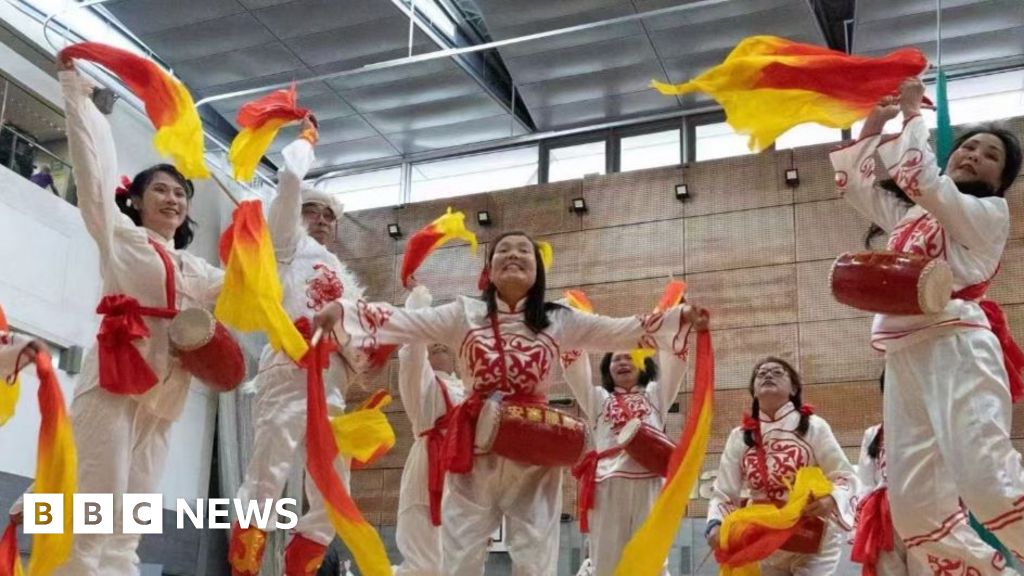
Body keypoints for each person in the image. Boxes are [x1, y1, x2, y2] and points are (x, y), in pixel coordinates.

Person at [312, 230, 708, 576]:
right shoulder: (462, 313)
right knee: (459, 557)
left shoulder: (560, 319)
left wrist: (681, 317)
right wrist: (345, 312)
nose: (514, 255)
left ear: (538, 271)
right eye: (503, 251)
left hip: (534, 453)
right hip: (474, 449)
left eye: (524, 251)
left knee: (535, 558)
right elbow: (404, 321)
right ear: (489, 269)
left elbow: (624, 329)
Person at [831, 77, 1024, 572]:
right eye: (969, 146)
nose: (975, 155)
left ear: (1000, 180)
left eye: (990, 156)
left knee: (989, 485)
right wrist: (875, 121)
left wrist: (913, 115)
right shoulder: (911, 214)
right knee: (915, 508)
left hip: (958, 347)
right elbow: (856, 184)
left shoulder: (987, 213)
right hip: (904, 356)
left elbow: (923, 180)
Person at [54, 57, 224, 575]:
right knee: (93, 511)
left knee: (131, 520)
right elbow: (94, 173)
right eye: (161, 190)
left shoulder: (199, 271)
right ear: (137, 200)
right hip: (113, 385)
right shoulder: (122, 239)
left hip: (166, 397)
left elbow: (256, 291)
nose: (173, 198)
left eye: (180, 193)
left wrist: (270, 240)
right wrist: (75, 98)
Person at [230, 118, 365, 576]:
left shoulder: (344, 277)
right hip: (289, 366)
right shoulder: (286, 246)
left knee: (332, 488)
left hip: (331, 382)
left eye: (329, 216)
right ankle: (244, 568)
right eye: (313, 212)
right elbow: (289, 180)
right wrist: (306, 143)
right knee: (268, 474)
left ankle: (301, 568)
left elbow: (363, 342)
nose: (322, 221)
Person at [706, 357, 858, 576]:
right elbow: (724, 491)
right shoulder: (739, 437)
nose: (768, 375)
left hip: (811, 535)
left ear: (794, 388)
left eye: (777, 372)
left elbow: (844, 475)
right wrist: (715, 525)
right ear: (754, 391)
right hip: (764, 538)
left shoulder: (814, 427)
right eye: (761, 373)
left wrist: (831, 498)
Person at [561, 348, 687, 576]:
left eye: (629, 357)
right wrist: (572, 333)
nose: (622, 361)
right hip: (607, 482)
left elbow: (676, 364)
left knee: (652, 555)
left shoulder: (655, 395)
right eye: (616, 359)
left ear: (643, 365)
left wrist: (675, 326)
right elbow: (575, 371)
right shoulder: (598, 398)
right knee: (605, 557)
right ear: (608, 369)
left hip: (650, 481)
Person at [393, 285, 466, 576]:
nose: (438, 344)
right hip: (428, 464)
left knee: (461, 555)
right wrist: (420, 302)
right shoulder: (420, 382)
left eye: (444, 342)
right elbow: (412, 353)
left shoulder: (468, 389)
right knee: (424, 557)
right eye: (432, 341)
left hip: (466, 470)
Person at [853, 373, 928, 576]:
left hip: (927, 512)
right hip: (884, 516)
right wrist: (862, 524)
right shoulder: (874, 433)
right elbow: (866, 482)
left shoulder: (935, 429)